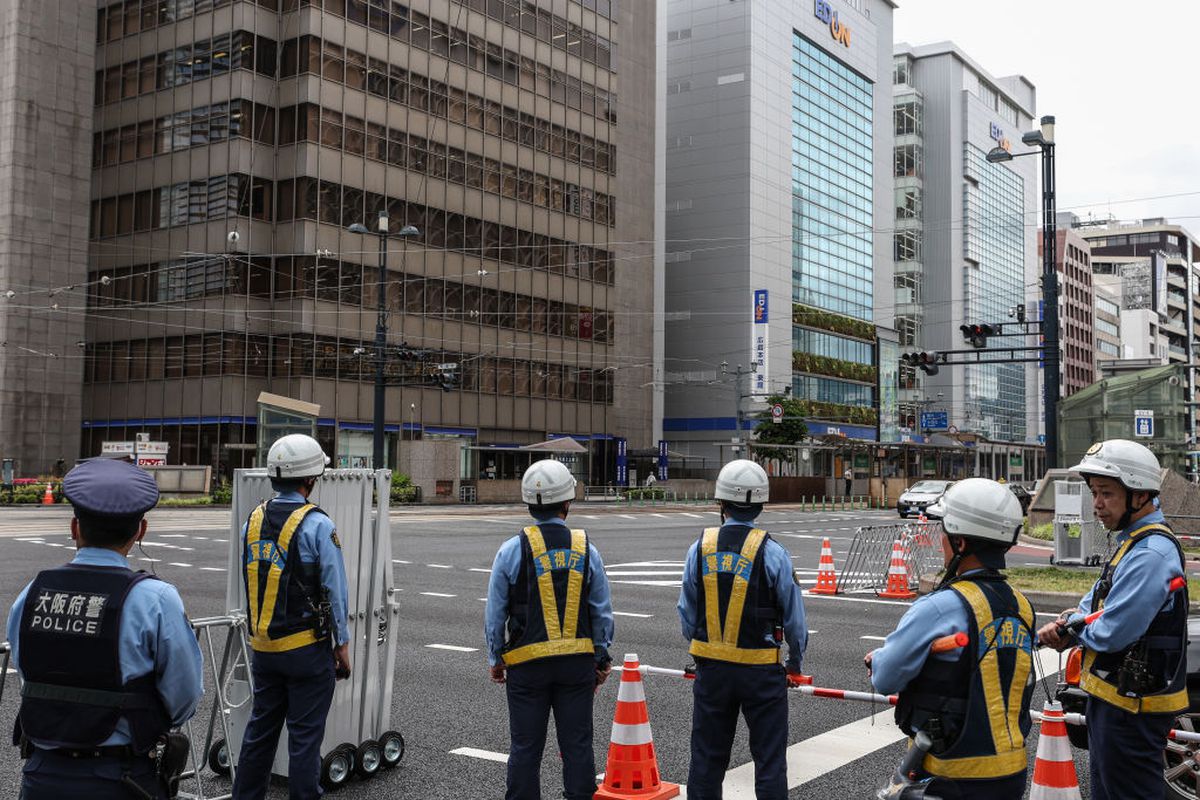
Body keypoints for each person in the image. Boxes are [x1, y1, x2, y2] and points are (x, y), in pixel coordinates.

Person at [6, 458, 204, 800]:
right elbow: (184, 695)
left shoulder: (33, 593)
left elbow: (27, 670)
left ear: (74, 528)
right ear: (140, 530)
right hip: (120, 778)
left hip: (42, 775)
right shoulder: (155, 599)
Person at [866, 478, 1034, 799]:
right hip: (1011, 773)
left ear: (960, 543)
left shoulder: (939, 607)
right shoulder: (1021, 605)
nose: (940, 539)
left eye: (944, 531)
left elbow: (886, 678)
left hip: (952, 774)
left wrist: (879, 661)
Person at [1036, 439, 1185, 800]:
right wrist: (1072, 620)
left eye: (1106, 493)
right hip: (1117, 700)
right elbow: (1099, 600)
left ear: (1139, 495)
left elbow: (1115, 631)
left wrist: (1073, 632)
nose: (1097, 504)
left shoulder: (1150, 553)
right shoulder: (1132, 541)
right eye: (1094, 492)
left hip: (1133, 708)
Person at [484, 458, 614, 800]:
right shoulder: (587, 549)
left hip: (526, 666)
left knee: (525, 748)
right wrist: (601, 657)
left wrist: (496, 657)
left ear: (528, 503)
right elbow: (601, 611)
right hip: (576, 665)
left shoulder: (511, 549)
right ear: (567, 502)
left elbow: (495, 612)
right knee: (577, 747)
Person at [677, 459, 807, 799]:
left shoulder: (700, 548)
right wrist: (794, 663)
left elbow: (686, 610)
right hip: (761, 670)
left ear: (720, 502)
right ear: (761, 504)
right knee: (769, 760)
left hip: (712, 671)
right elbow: (795, 619)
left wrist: (701, 643)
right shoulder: (774, 552)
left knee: (706, 759)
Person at [233, 434, 350, 800]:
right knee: (304, 739)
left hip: (264, 648)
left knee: (260, 733)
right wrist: (341, 644)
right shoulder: (318, 525)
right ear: (311, 477)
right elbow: (336, 590)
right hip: (306, 650)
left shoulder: (252, 520)